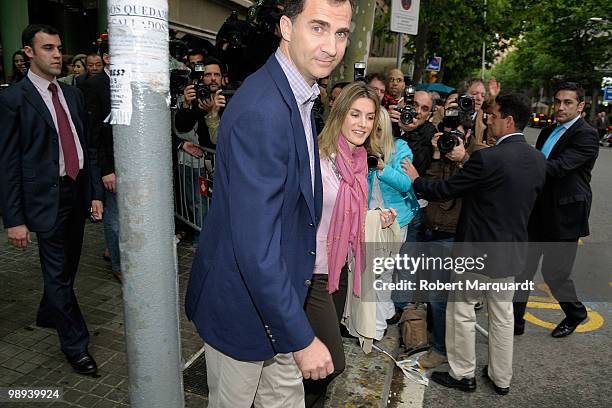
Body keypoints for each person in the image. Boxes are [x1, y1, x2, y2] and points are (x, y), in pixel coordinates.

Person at [185, 0, 354, 406]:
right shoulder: (264, 109)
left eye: (341, 33)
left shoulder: (299, 94)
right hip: (242, 306)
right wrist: (301, 337)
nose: (331, 46)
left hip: (278, 304)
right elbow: (255, 246)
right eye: (318, 27)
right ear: (286, 27)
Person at [403, 94, 546, 395]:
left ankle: (462, 373)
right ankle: (501, 378)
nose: (488, 120)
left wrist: (416, 180)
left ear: (508, 120)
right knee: (503, 316)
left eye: (493, 115)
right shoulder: (537, 159)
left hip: (476, 252)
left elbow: (446, 189)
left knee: (462, 311)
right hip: (512, 252)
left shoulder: (487, 158)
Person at [0, 24, 104, 375]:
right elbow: (7, 163)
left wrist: (93, 194)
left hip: (75, 193)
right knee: (59, 274)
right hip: (45, 200)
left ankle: (48, 310)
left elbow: (86, 145)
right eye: (48, 48)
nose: (57, 54)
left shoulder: (72, 95)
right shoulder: (12, 99)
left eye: (59, 47)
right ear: (28, 52)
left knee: (68, 266)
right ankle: (76, 345)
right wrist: (14, 220)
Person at [305, 82, 396, 407]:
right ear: (339, 114)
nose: (362, 123)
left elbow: (348, 213)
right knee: (332, 361)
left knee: (317, 363)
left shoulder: (359, 161)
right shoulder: (317, 157)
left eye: (369, 117)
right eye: (355, 114)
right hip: (312, 272)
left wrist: (374, 216)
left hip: (340, 268)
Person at [513, 82, 600, 338]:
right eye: (558, 101)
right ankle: (515, 324)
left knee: (555, 274)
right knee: (523, 269)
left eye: (568, 102)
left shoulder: (586, 135)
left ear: (580, 106)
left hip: (565, 216)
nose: (560, 107)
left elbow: (558, 168)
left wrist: (519, 159)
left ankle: (575, 313)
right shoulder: (548, 130)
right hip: (538, 211)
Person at [366, 106, 418, 338]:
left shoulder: (401, 149)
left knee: (381, 270)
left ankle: (376, 327)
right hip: (371, 218)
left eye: (378, 129)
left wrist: (382, 166)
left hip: (396, 220)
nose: (372, 134)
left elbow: (407, 184)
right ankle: (385, 313)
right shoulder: (360, 149)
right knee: (380, 271)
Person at [81, 41, 121, 282]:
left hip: (128, 161)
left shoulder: (125, 82)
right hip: (109, 165)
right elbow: (94, 133)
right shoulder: (92, 85)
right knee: (114, 220)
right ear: (106, 58)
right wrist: (105, 170)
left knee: (124, 219)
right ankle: (118, 266)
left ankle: (113, 251)